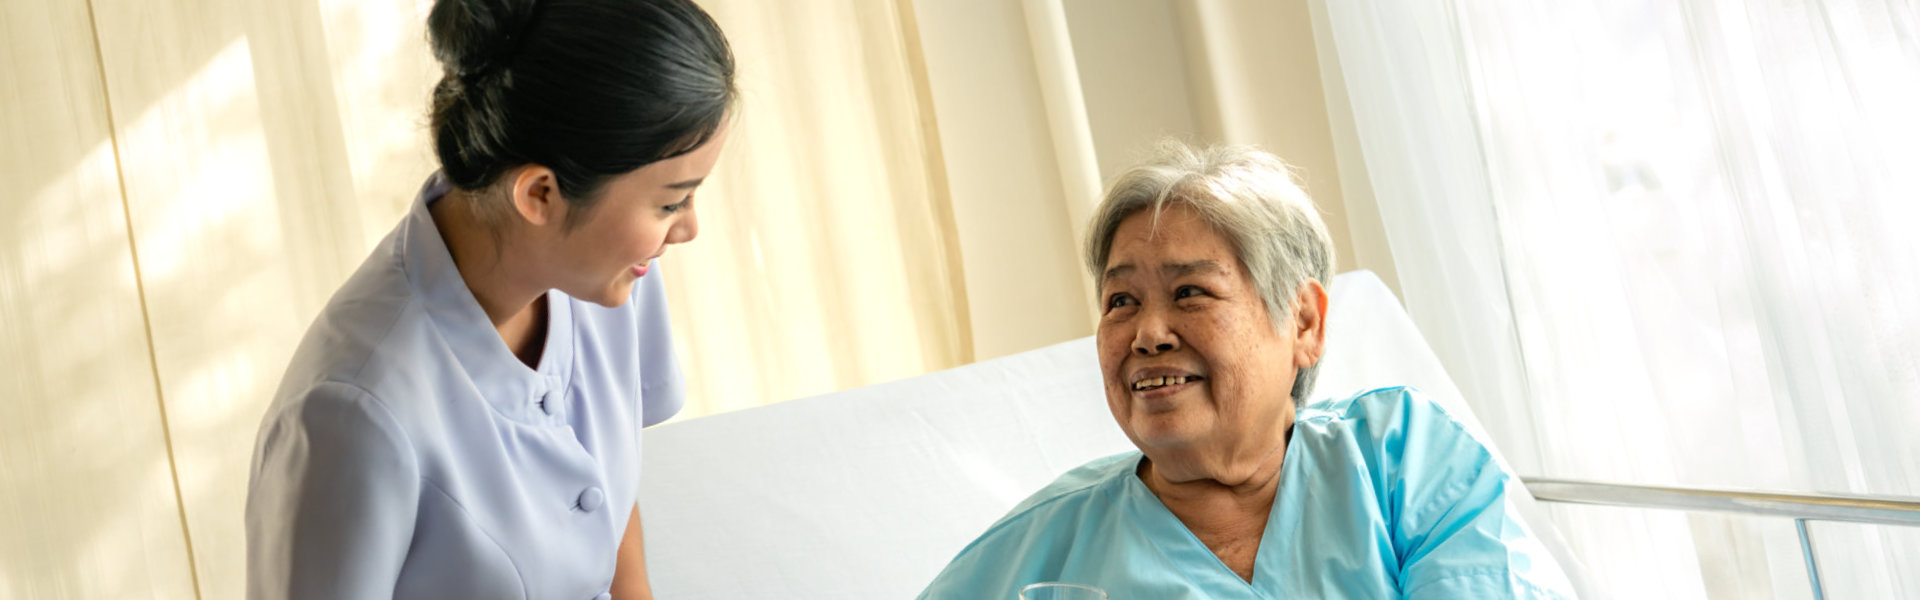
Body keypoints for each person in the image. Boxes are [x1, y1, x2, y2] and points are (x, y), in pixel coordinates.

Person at [918, 141, 1574, 598]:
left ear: (1304, 323)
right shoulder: (1040, 551)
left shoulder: (1399, 461)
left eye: (1190, 292)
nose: (1147, 333)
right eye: (1121, 301)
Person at [244, 1, 734, 597]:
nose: (686, 228)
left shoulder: (608, 269)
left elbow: (604, 499)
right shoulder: (352, 415)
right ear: (540, 194)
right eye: (669, 202)